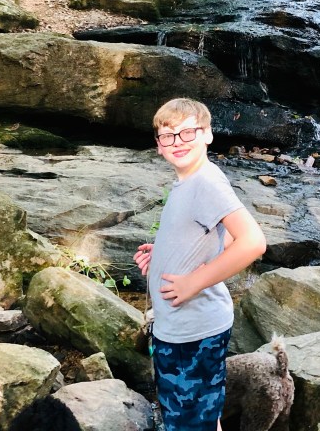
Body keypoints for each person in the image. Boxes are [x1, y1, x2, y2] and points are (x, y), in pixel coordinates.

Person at [133, 98, 267, 431]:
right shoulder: (189, 181)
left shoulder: (206, 182)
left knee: (189, 423)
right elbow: (224, 237)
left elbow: (252, 241)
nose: (178, 142)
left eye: (188, 132)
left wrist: (194, 281)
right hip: (183, 329)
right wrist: (168, 253)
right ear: (158, 145)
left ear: (207, 134)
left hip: (191, 334)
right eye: (168, 135)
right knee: (202, 416)